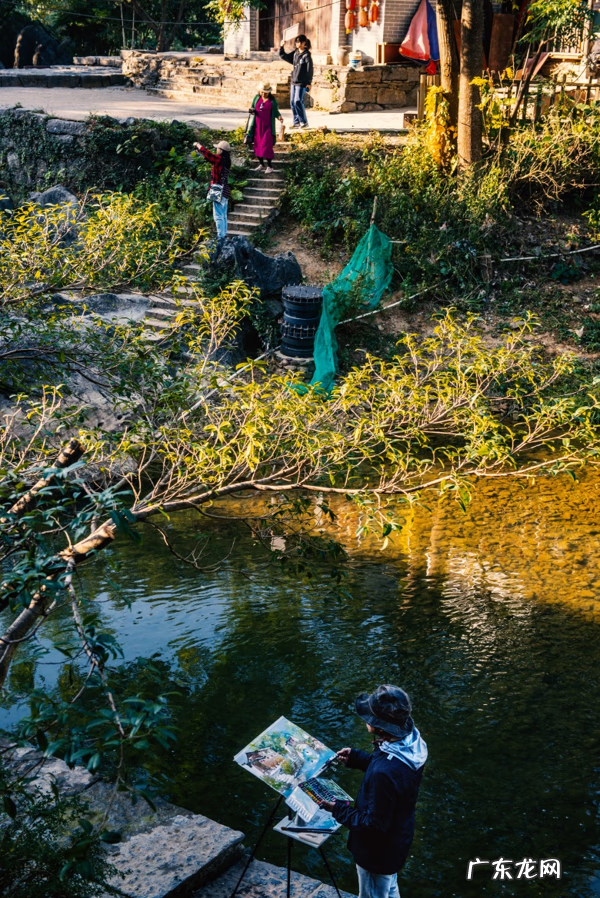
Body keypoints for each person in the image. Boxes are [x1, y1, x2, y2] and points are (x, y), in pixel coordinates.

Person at [319, 685, 427, 898]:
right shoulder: (411, 744)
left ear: (379, 726)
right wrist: (358, 758)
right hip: (397, 839)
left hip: (377, 853)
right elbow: (394, 774)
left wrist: (337, 809)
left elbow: (373, 825)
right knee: (388, 886)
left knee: (373, 894)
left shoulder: (384, 772)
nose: (366, 720)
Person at [193, 138, 231, 240]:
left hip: (219, 191)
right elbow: (208, 158)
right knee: (223, 215)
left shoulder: (219, 159)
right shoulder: (226, 161)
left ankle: (220, 236)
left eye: (218, 148)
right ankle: (224, 234)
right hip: (226, 191)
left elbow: (209, 155)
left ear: (221, 151)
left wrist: (198, 145)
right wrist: (199, 151)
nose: (216, 150)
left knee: (218, 216)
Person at [247, 82, 283, 173]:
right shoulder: (256, 98)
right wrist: (252, 111)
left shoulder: (272, 101)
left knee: (266, 147)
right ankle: (262, 164)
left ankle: (270, 166)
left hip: (267, 127)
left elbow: (276, 112)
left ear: (269, 92)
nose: (263, 94)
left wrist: (279, 117)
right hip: (257, 127)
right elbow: (252, 108)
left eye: (265, 92)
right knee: (257, 146)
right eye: (262, 92)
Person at [279, 34, 313, 130]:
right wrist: (282, 46)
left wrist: (309, 82)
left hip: (302, 82)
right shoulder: (295, 53)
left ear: (304, 43)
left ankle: (304, 122)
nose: (297, 43)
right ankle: (296, 123)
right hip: (294, 81)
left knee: (298, 101)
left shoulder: (307, 55)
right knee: (292, 103)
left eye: (299, 41)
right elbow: (284, 56)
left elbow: (309, 70)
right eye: (296, 41)